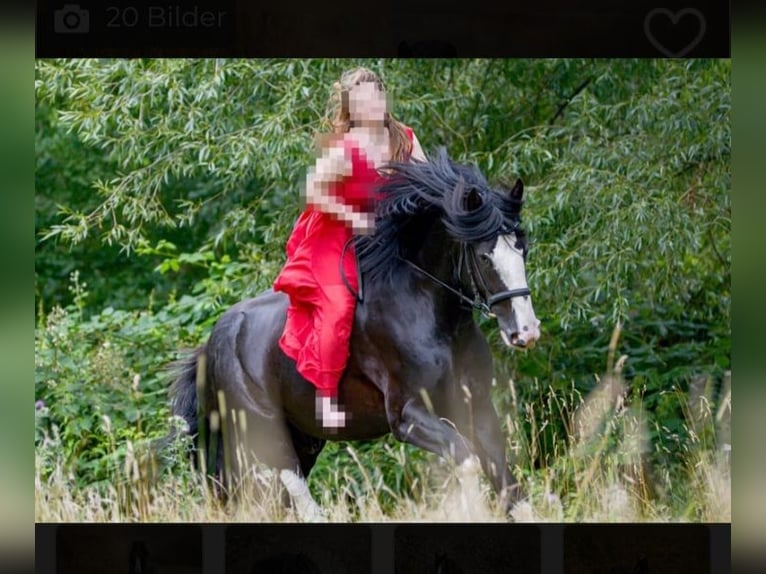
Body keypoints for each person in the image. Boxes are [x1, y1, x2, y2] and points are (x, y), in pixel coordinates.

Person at [273, 67, 426, 429]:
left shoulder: (404, 137)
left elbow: (425, 180)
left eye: (375, 95)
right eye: (360, 100)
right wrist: (352, 217)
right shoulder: (346, 148)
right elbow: (314, 191)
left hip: (386, 236)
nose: (370, 104)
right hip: (338, 235)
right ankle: (326, 397)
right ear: (351, 108)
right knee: (339, 305)